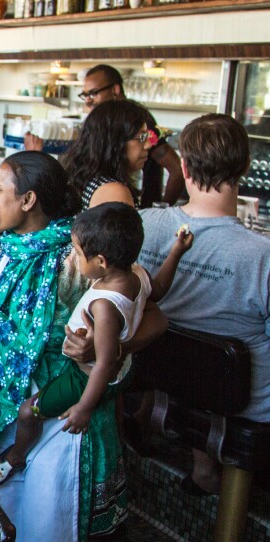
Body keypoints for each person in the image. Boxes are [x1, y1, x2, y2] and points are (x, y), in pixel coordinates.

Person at [0, 151, 165, 540]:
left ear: (28, 200)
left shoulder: (82, 253)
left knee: (47, 525)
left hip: (62, 418)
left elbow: (154, 316)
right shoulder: (0, 251)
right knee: (4, 519)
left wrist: (111, 349)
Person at [0, 202, 192, 486]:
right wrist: (176, 252)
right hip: (124, 369)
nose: (75, 258)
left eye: (79, 254)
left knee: (27, 411)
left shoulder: (104, 306)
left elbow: (104, 362)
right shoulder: (137, 274)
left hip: (85, 377)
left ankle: (17, 455)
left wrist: (84, 406)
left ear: (102, 262)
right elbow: (160, 291)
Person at [137, 114, 270, 495]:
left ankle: (203, 464)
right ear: (244, 166)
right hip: (243, 405)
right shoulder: (262, 257)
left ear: (183, 166)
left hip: (164, 384)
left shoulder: (143, 225)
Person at [77, 64, 185, 207]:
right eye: (85, 95)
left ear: (115, 90)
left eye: (93, 93)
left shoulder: (136, 121)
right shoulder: (112, 189)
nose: (88, 100)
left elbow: (176, 168)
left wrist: (160, 211)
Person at [62, 99, 152, 210]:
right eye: (141, 137)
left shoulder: (92, 180)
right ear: (115, 142)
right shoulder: (113, 191)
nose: (148, 145)